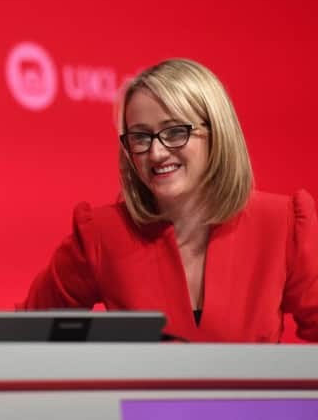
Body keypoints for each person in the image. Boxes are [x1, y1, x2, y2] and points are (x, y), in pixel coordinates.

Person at [20, 58, 318, 342]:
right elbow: (23, 337)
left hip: (254, 399)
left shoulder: (284, 223)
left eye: (175, 132)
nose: (156, 153)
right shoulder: (101, 234)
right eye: (140, 137)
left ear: (217, 132)